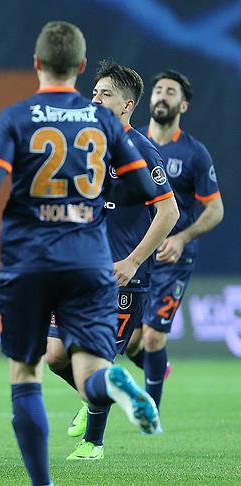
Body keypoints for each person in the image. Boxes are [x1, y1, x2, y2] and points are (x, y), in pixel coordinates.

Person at [0, 21, 161, 486]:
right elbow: (141, 186)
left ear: (37, 63)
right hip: (90, 259)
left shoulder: (17, 116)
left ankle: (43, 482)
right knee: (87, 365)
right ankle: (108, 383)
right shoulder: (104, 124)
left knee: (26, 374)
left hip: (32, 259)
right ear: (79, 67)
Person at [44, 60, 179, 460]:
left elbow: (168, 212)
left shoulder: (140, 150)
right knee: (54, 355)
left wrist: (134, 261)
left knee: (95, 357)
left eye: (106, 94)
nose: (96, 99)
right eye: (94, 92)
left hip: (122, 276)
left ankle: (93, 444)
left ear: (127, 105)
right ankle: (98, 395)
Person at [130, 69, 223, 411]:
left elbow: (215, 209)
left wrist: (182, 238)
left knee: (154, 336)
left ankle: (150, 415)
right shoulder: (132, 143)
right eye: (158, 90)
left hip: (173, 259)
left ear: (183, 105)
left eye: (170, 92)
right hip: (137, 254)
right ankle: (157, 368)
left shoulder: (194, 153)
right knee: (131, 342)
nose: (161, 96)